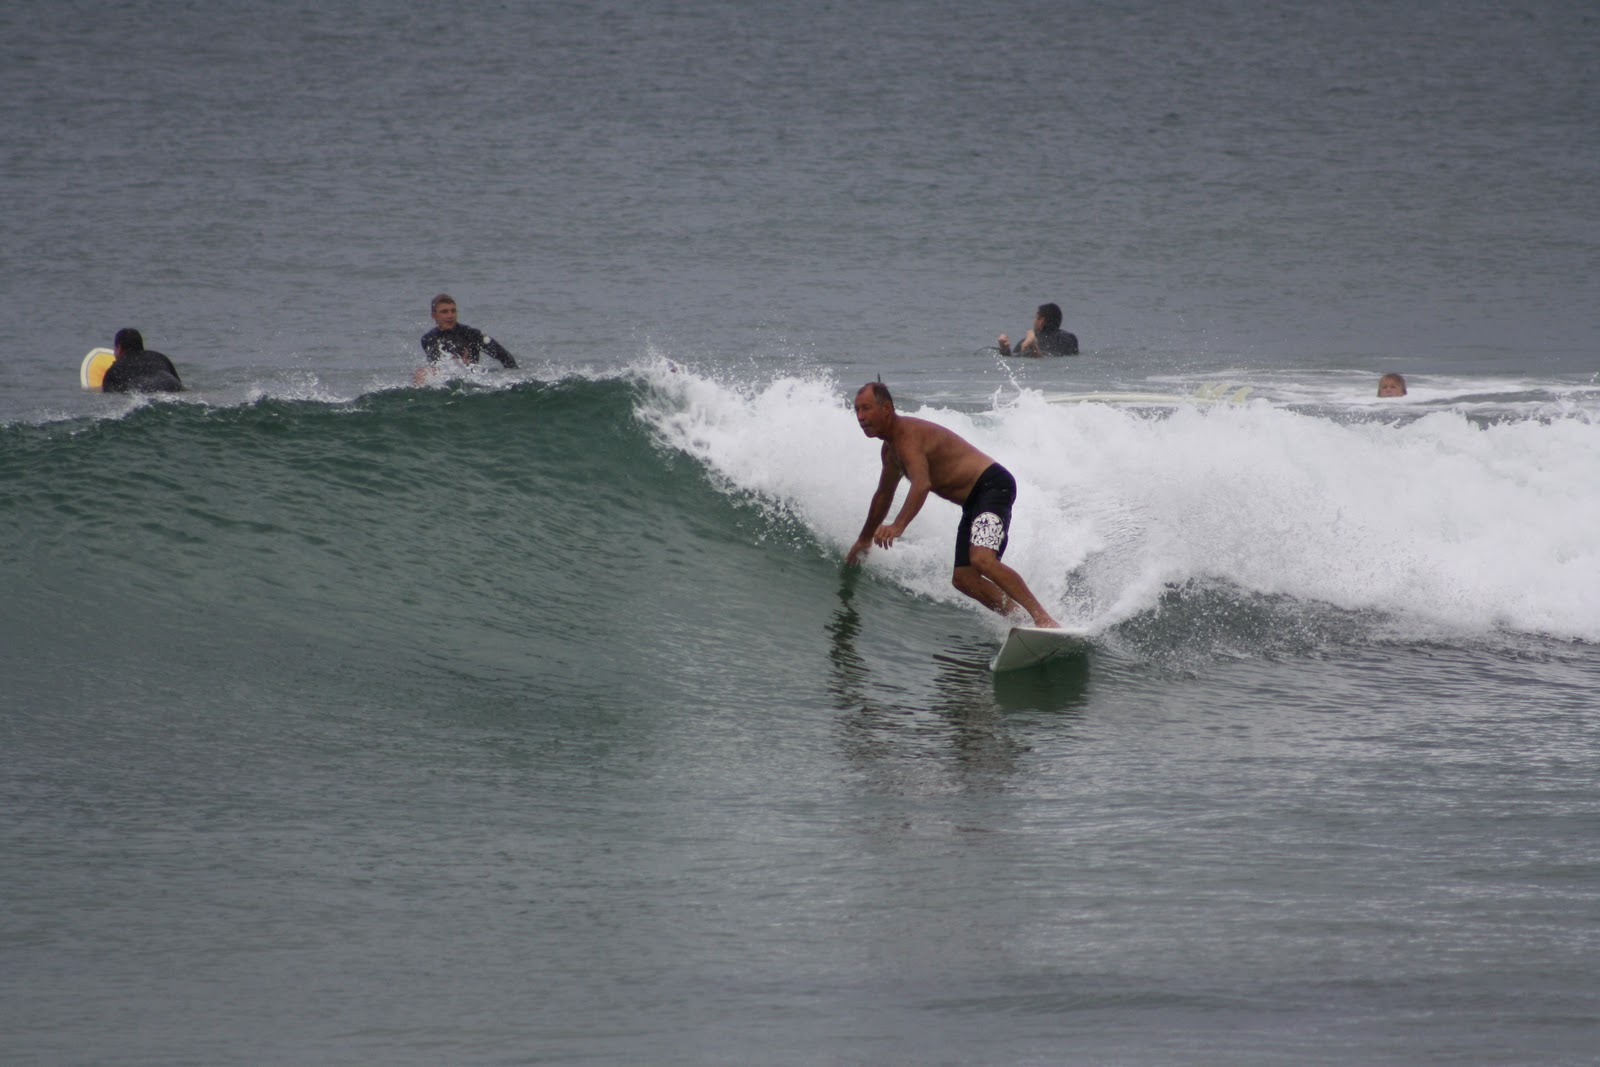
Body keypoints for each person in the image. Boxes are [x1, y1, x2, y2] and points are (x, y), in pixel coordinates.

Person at [846, 381, 1058, 628]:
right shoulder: (890, 451)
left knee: (982, 559)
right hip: (974, 501)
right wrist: (864, 538)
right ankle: (1020, 620)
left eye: (866, 409)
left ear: (886, 409)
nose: (860, 417)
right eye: (857, 410)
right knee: (964, 579)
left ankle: (1043, 618)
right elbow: (883, 494)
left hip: (993, 486)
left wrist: (898, 526)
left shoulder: (907, 438)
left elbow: (922, 484)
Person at [416, 294, 518, 382]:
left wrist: (508, 378)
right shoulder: (428, 339)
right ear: (434, 315)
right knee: (421, 373)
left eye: (453, 311)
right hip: (446, 380)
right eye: (444, 312)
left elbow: (507, 359)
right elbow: (437, 364)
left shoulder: (472, 334)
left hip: (473, 379)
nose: (450, 315)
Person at [101, 328, 184, 393]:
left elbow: (109, 396)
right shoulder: (160, 357)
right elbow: (178, 381)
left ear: (119, 348)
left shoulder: (115, 369)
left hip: (145, 391)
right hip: (172, 384)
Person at [998, 302, 1078, 357]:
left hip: (1038, 353)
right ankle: (1035, 350)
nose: (1034, 321)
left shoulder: (1025, 342)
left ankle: (1005, 348)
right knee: (1044, 356)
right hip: (1052, 356)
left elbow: (1014, 357)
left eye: (1035, 318)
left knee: (1025, 354)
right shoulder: (1070, 338)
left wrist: (1006, 352)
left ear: (1041, 321)